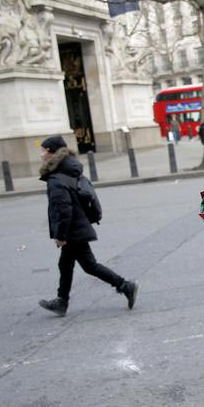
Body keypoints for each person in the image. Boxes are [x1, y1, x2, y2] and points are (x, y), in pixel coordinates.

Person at [37, 135, 138, 316]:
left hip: (73, 230)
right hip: (77, 225)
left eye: (43, 150)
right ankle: (62, 301)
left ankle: (125, 286)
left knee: (89, 265)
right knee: (66, 264)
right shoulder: (69, 170)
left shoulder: (57, 178)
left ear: (52, 153)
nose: (41, 154)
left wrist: (60, 235)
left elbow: (63, 209)